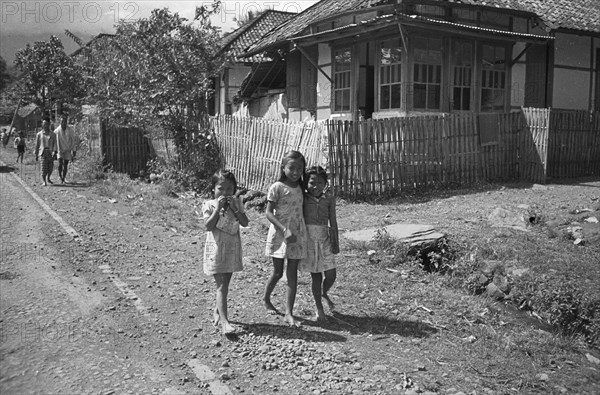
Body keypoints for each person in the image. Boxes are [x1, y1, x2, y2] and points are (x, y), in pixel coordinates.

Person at [264, 150, 308, 327]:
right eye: (292, 168)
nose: (296, 172)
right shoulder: (277, 187)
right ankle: (266, 299)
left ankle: (289, 312)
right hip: (280, 234)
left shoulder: (301, 188)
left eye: (299, 168)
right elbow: (268, 212)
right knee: (277, 272)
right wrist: (283, 229)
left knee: (292, 274)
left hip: (296, 234)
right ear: (283, 167)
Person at [202, 170, 249, 335]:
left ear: (234, 190)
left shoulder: (237, 203)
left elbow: (244, 222)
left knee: (225, 284)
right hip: (216, 250)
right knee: (221, 286)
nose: (225, 193)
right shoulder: (209, 204)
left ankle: (217, 311)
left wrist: (235, 209)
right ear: (213, 189)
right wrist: (218, 209)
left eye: (229, 189)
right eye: (220, 188)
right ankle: (225, 323)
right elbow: (208, 226)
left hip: (232, 248)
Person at [299, 166, 340, 322]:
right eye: (312, 182)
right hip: (309, 240)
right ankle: (319, 308)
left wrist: (335, 241)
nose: (316, 186)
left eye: (320, 183)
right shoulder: (302, 198)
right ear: (306, 183)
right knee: (316, 276)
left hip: (325, 240)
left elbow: (333, 221)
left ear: (325, 184)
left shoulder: (329, 199)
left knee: (331, 275)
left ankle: (323, 292)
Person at [54, 113, 78, 184]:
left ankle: (63, 178)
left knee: (66, 164)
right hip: (60, 150)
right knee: (60, 163)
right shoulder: (56, 131)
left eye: (65, 121)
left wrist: (74, 151)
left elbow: (73, 141)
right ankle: (60, 176)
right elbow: (55, 142)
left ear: (66, 122)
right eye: (62, 121)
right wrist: (54, 151)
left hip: (67, 149)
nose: (63, 123)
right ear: (60, 122)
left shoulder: (70, 130)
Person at [35, 118, 57, 186]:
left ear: (49, 125)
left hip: (50, 152)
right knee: (43, 167)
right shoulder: (39, 134)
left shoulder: (53, 134)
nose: (45, 125)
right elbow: (37, 145)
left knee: (50, 167)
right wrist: (36, 154)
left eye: (47, 124)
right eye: (44, 124)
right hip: (43, 152)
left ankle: (48, 178)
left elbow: (55, 143)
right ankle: (44, 181)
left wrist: (54, 151)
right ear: (42, 125)